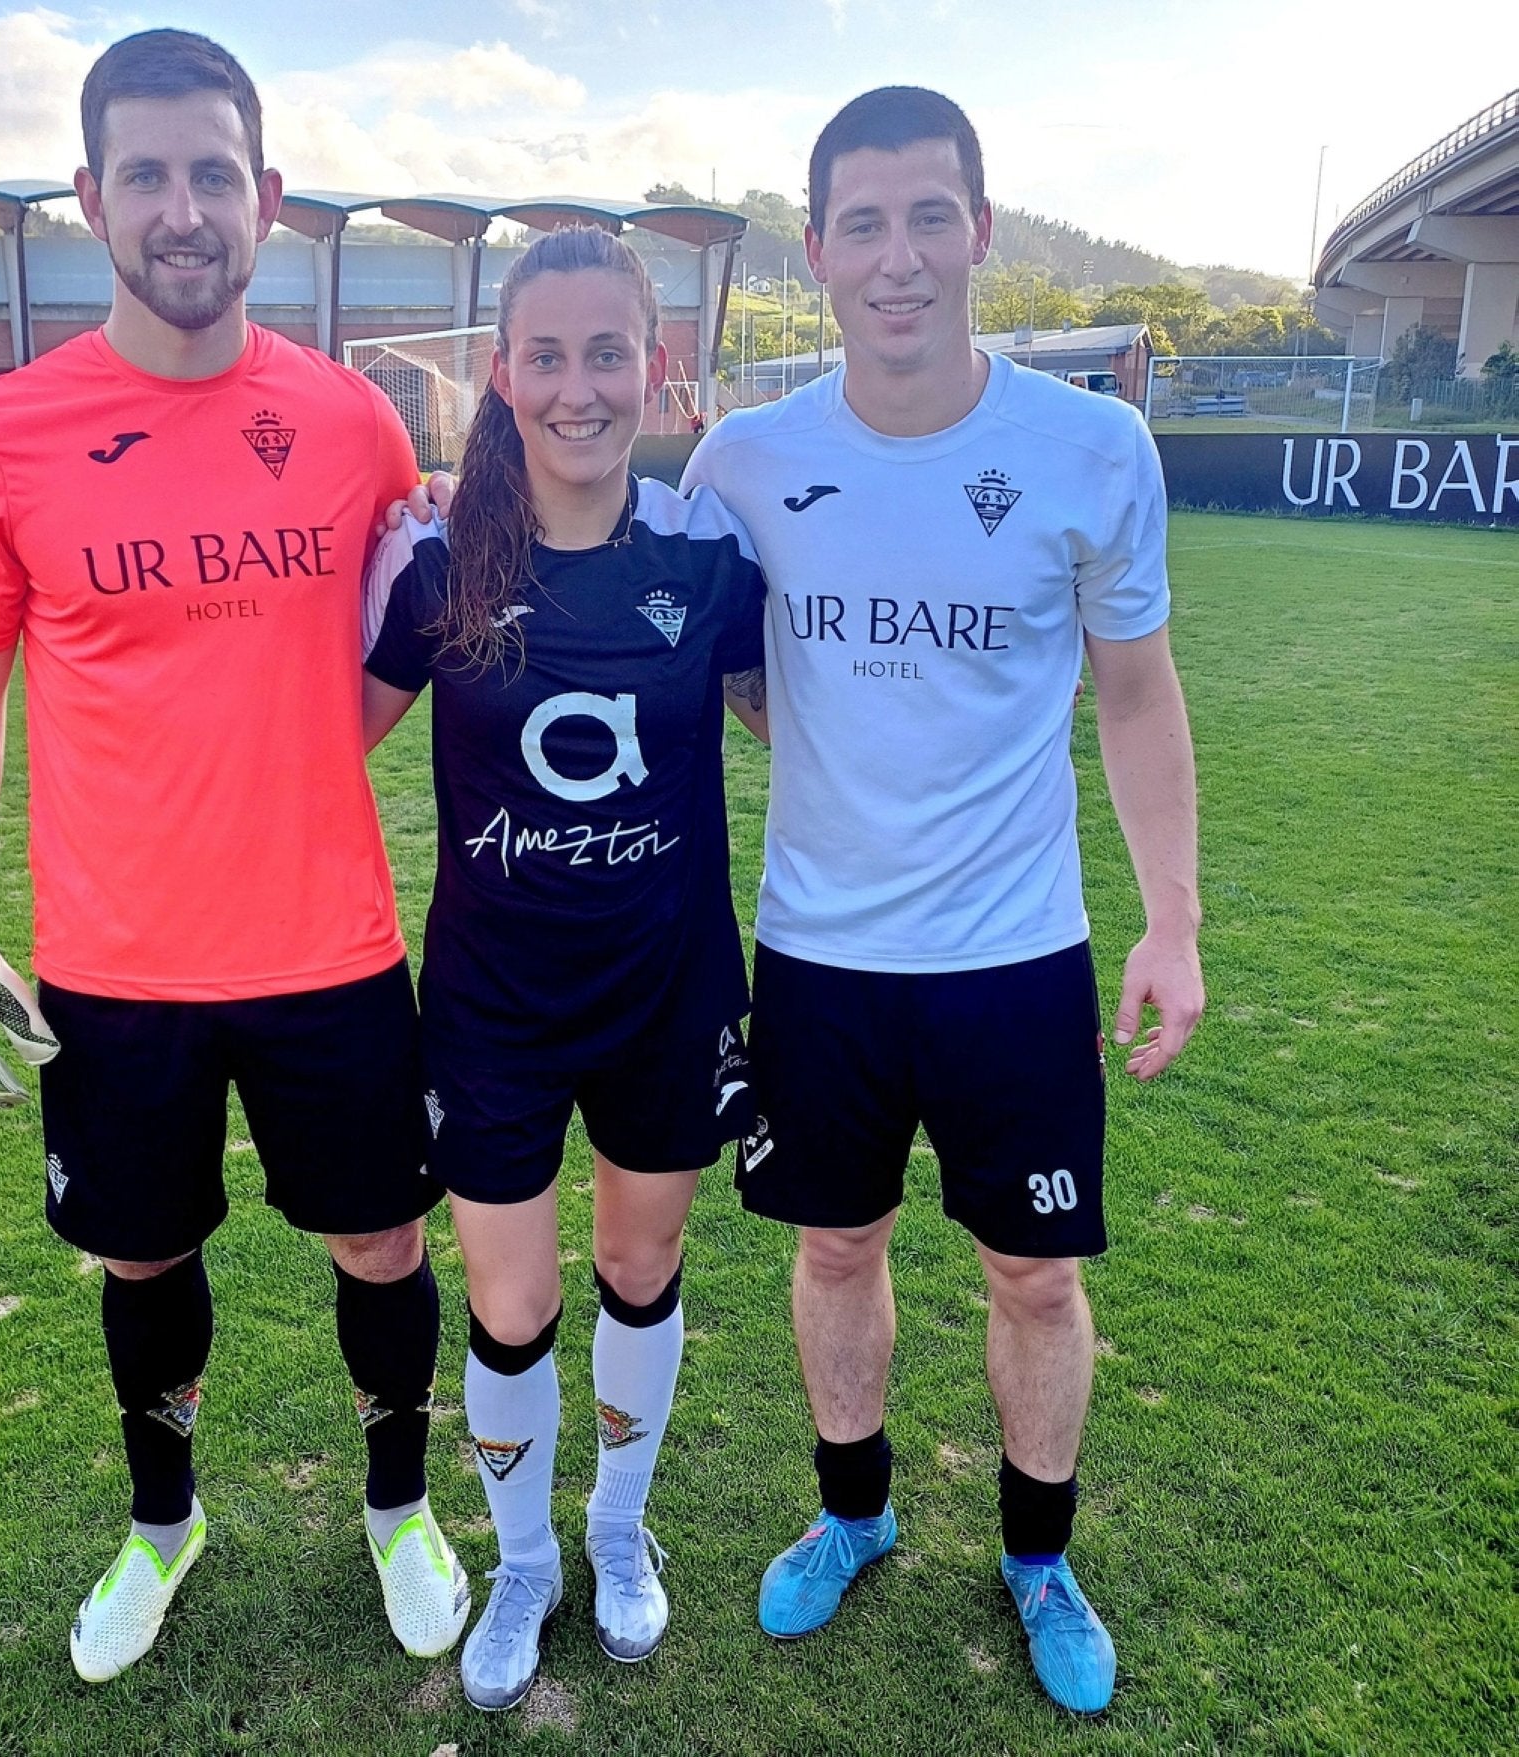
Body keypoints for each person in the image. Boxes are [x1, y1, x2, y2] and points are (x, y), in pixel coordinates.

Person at [0, 29, 470, 1684]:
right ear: (91, 199)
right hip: (115, 963)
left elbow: (398, 636)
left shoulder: (352, 421)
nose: (182, 209)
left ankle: (398, 1507)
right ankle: (165, 1522)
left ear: (265, 197)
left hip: (330, 946)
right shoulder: (1, 437)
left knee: (384, 1244)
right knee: (143, 1253)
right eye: (145, 175)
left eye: (212, 174)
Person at [680, 86, 1204, 1715]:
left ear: (979, 230)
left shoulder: (1092, 449)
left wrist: (1174, 920)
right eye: (863, 223)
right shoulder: (746, 460)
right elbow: (723, 667)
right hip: (820, 957)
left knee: (1035, 1273)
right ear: (817, 249)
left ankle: (1040, 1558)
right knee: (837, 1246)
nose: (896, 256)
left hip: (1017, 959)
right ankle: (854, 1512)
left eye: (928, 217)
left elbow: (1137, 692)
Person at [361, 225, 768, 1712]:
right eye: (547, 356)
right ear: (500, 372)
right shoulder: (434, 562)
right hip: (494, 1011)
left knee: (641, 1272)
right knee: (514, 1303)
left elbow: (811, 727)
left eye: (608, 354)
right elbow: (317, 741)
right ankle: (526, 1557)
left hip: (667, 990)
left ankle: (615, 1526)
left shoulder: (707, 554)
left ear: (656, 367)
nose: (578, 388)